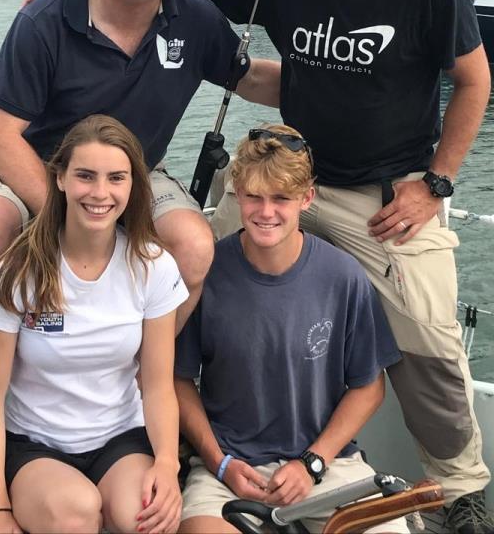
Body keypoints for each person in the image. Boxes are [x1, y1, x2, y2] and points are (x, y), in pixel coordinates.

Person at [26, 0, 493, 534]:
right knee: (186, 267)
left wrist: (436, 182)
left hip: (382, 194)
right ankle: (157, 432)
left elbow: (472, 82)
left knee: (426, 329)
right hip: (284, 175)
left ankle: (462, 488)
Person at [0, 0, 280, 524]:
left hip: (132, 172)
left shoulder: (194, 19)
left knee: (193, 245)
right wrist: (66, 217)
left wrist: (339, 86)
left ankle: (124, 393)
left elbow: (249, 80)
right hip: (37, 163)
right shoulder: (47, 18)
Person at [174, 125, 407, 534]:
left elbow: (369, 386)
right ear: (236, 193)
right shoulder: (205, 273)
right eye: (254, 197)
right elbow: (177, 379)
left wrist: (312, 463)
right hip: (227, 469)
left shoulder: (344, 277)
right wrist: (219, 462)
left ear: (307, 198)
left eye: (281, 198)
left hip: (326, 466)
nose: (266, 213)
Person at [0, 114, 185, 534]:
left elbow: (158, 386)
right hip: (35, 445)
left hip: (120, 440)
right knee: (77, 513)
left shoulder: (153, 267)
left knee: (146, 517)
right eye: (85, 175)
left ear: (132, 185)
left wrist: (166, 463)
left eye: (116, 178)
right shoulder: (18, 271)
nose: (100, 193)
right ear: (61, 178)